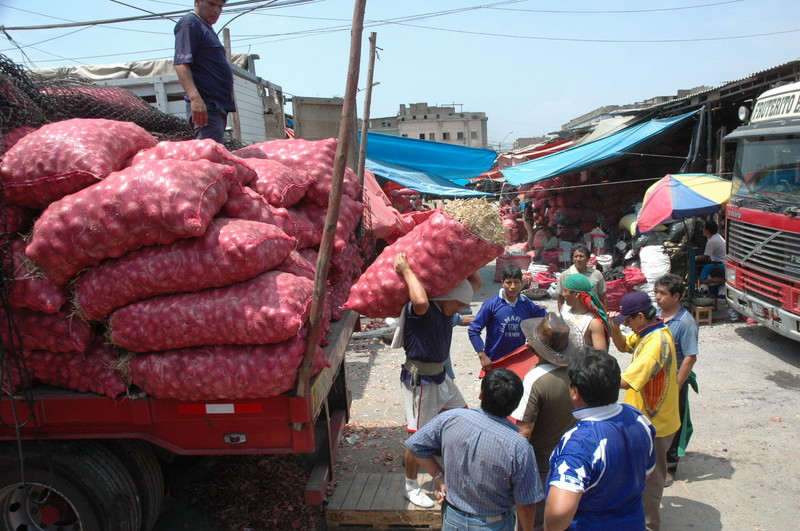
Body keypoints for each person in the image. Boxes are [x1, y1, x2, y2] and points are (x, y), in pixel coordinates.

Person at [393, 252, 482, 508]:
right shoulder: (421, 310)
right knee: (416, 438)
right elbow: (420, 298)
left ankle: (457, 472)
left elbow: (473, 285)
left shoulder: (447, 313)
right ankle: (411, 486)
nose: (461, 309)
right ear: (446, 298)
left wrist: (465, 258)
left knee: (464, 420)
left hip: (442, 379)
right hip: (419, 383)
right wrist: (406, 269)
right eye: (459, 304)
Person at [405, 368, 544, 531]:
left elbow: (415, 445)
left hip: (452, 520)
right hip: (494, 524)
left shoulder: (452, 418)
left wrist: (439, 476)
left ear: (481, 395)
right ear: (515, 405)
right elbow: (526, 504)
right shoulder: (519, 447)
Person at [544, 349, 656, 531]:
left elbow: (558, 512)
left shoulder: (580, 443)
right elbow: (647, 471)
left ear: (575, 391)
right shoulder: (638, 418)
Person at [609, 291, 679, 531]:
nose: (626, 324)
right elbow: (621, 346)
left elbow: (627, 381)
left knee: (652, 480)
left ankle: (649, 525)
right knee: (639, 475)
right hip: (642, 419)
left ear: (640, 316)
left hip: (656, 424)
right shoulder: (645, 332)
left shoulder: (655, 343)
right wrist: (615, 328)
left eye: (628, 321)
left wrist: (595, 378)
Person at [510, 313, 582, 529]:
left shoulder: (535, 379)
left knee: (534, 522)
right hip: (572, 457)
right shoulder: (576, 372)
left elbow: (524, 432)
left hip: (541, 465)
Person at [654, 274, 699, 487]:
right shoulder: (655, 316)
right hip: (654, 380)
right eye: (657, 292)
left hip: (673, 382)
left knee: (673, 424)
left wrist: (677, 385)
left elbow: (690, 357)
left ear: (677, 296)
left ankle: (670, 467)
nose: (658, 297)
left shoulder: (685, 322)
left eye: (663, 293)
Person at [174, 0, 236, 143]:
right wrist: (195, 99)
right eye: (211, 4)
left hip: (217, 107)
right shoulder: (190, 23)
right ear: (197, 1)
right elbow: (181, 64)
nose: (216, 10)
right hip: (206, 105)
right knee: (210, 158)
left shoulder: (206, 27)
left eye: (220, 6)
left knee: (215, 154)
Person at [468, 264, 547, 372]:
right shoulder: (491, 304)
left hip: (518, 362)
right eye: (509, 282)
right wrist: (482, 355)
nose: (512, 287)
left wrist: (534, 340)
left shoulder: (527, 304)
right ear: (502, 283)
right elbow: (473, 330)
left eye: (516, 282)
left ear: (522, 284)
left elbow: (545, 318)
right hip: (495, 361)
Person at [561, 274, 611, 351]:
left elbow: (601, 357)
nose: (563, 294)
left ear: (576, 294)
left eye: (565, 291)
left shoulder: (593, 323)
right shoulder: (564, 309)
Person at [556, 246, 607, 312]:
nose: (578, 259)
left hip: (593, 312)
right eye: (575, 256)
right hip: (572, 313)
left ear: (588, 259)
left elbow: (603, 296)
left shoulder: (596, 274)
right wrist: (561, 316)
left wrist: (605, 315)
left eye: (581, 256)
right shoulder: (565, 275)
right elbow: (560, 298)